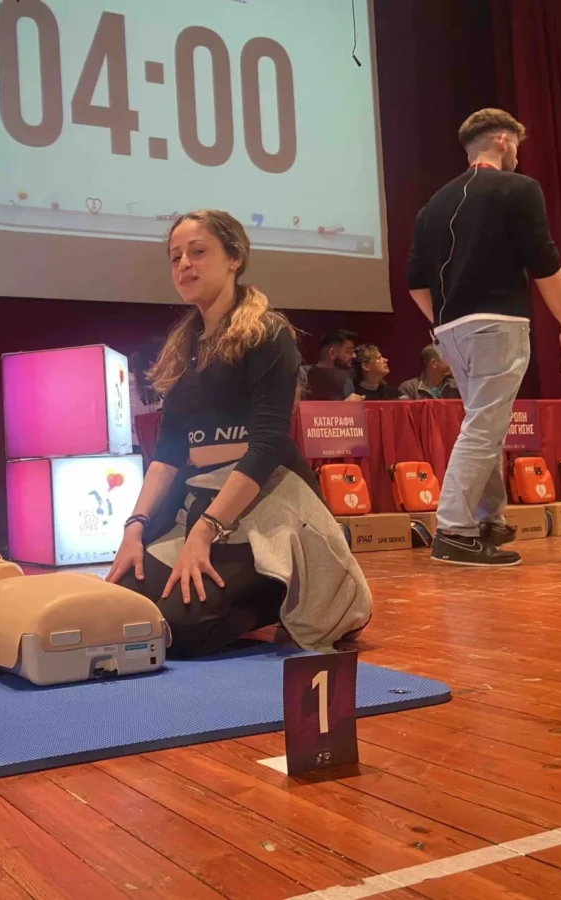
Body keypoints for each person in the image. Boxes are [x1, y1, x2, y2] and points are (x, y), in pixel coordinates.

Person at [102, 210, 372, 658]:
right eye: (175, 257)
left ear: (234, 258)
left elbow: (265, 445)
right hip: (201, 497)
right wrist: (135, 529)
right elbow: (167, 454)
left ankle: (292, 586)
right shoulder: (182, 346)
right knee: (126, 601)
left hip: (265, 498)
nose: (184, 264)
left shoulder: (269, 332)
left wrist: (205, 531)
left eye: (198, 252)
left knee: (180, 627)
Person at [407, 109, 561, 567]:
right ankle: (454, 530)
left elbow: (415, 283)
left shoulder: (433, 205)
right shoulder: (518, 188)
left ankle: (488, 520)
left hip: (449, 330)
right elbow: (544, 263)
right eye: (517, 147)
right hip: (497, 321)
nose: (518, 156)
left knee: (484, 423)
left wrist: (443, 323)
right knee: (485, 427)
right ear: (504, 141)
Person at [299, 329, 360, 401]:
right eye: (349, 351)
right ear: (332, 353)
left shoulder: (347, 381)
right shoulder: (301, 375)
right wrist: (344, 405)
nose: (354, 356)